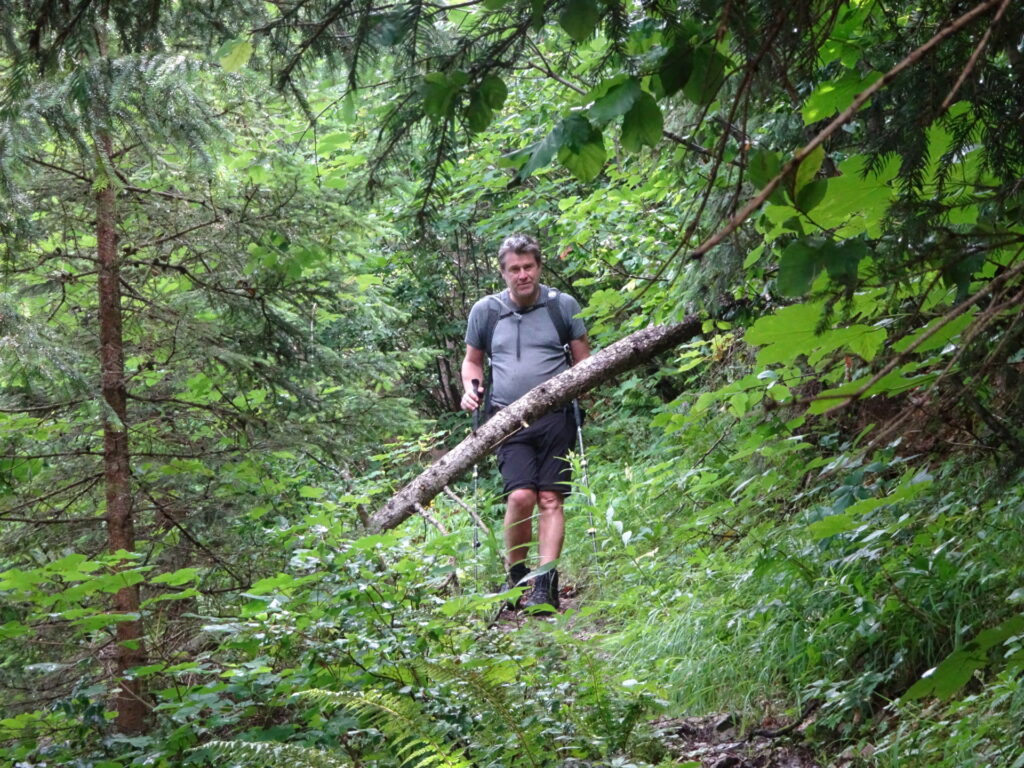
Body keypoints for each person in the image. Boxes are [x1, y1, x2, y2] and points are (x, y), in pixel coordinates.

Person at [461, 234, 590, 611]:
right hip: (506, 417)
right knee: (520, 495)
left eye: (528, 266)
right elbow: (473, 360)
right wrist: (472, 388)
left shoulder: (561, 306)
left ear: (539, 266)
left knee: (551, 498)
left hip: (557, 416)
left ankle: (544, 584)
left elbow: (585, 361)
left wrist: (579, 392)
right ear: (503, 273)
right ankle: (517, 575)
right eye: (514, 269)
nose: (523, 275)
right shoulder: (485, 311)